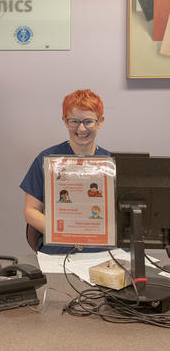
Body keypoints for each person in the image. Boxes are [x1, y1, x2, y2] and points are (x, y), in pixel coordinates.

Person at [20, 89, 110, 254]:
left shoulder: (110, 164)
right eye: (74, 121)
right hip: (61, 245)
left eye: (88, 121)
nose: (81, 128)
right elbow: (30, 211)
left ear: (100, 121)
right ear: (65, 121)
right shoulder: (46, 159)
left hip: (102, 247)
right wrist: (66, 233)